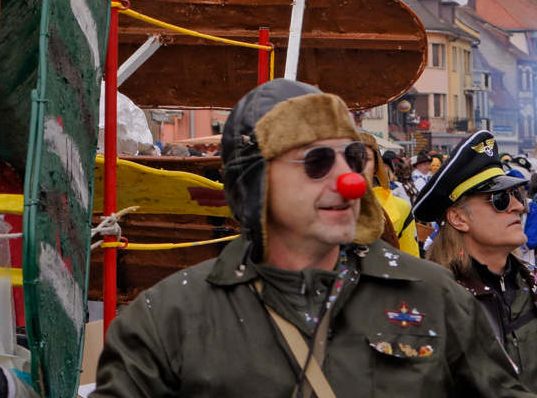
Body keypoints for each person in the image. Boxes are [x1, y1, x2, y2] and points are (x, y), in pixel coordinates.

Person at [90, 79, 530, 396]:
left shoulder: (433, 296)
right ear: (255, 182)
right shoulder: (170, 318)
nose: (349, 182)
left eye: (353, 158)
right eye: (316, 162)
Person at [415, 129, 537, 370]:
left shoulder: (531, 280)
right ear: (458, 218)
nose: (518, 206)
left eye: (515, 194)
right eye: (499, 199)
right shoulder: (434, 299)